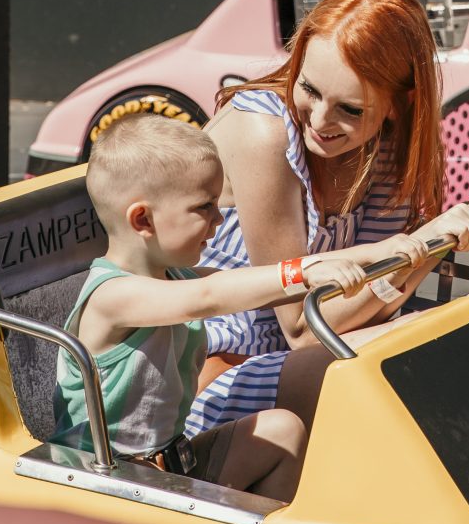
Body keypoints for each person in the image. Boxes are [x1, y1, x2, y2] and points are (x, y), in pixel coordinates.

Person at [184, 0, 469, 438]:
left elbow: (367, 304)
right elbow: (303, 326)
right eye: (310, 89)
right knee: (421, 362)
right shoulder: (264, 131)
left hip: (308, 363)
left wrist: (432, 245)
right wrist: (424, 244)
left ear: (400, 105)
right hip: (208, 377)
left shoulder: (389, 150)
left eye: (351, 109)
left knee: (456, 341)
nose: (319, 121)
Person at [53, 110, 367, 498]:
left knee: (283, 429)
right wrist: (301, 275)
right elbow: (209, 297)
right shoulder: (113, 296)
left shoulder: (176, 279)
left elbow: (248, 283)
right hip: (103, 481)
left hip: (166, 465)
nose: (220, 218)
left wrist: (379, 253)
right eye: (205, 207)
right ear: (142, 219)